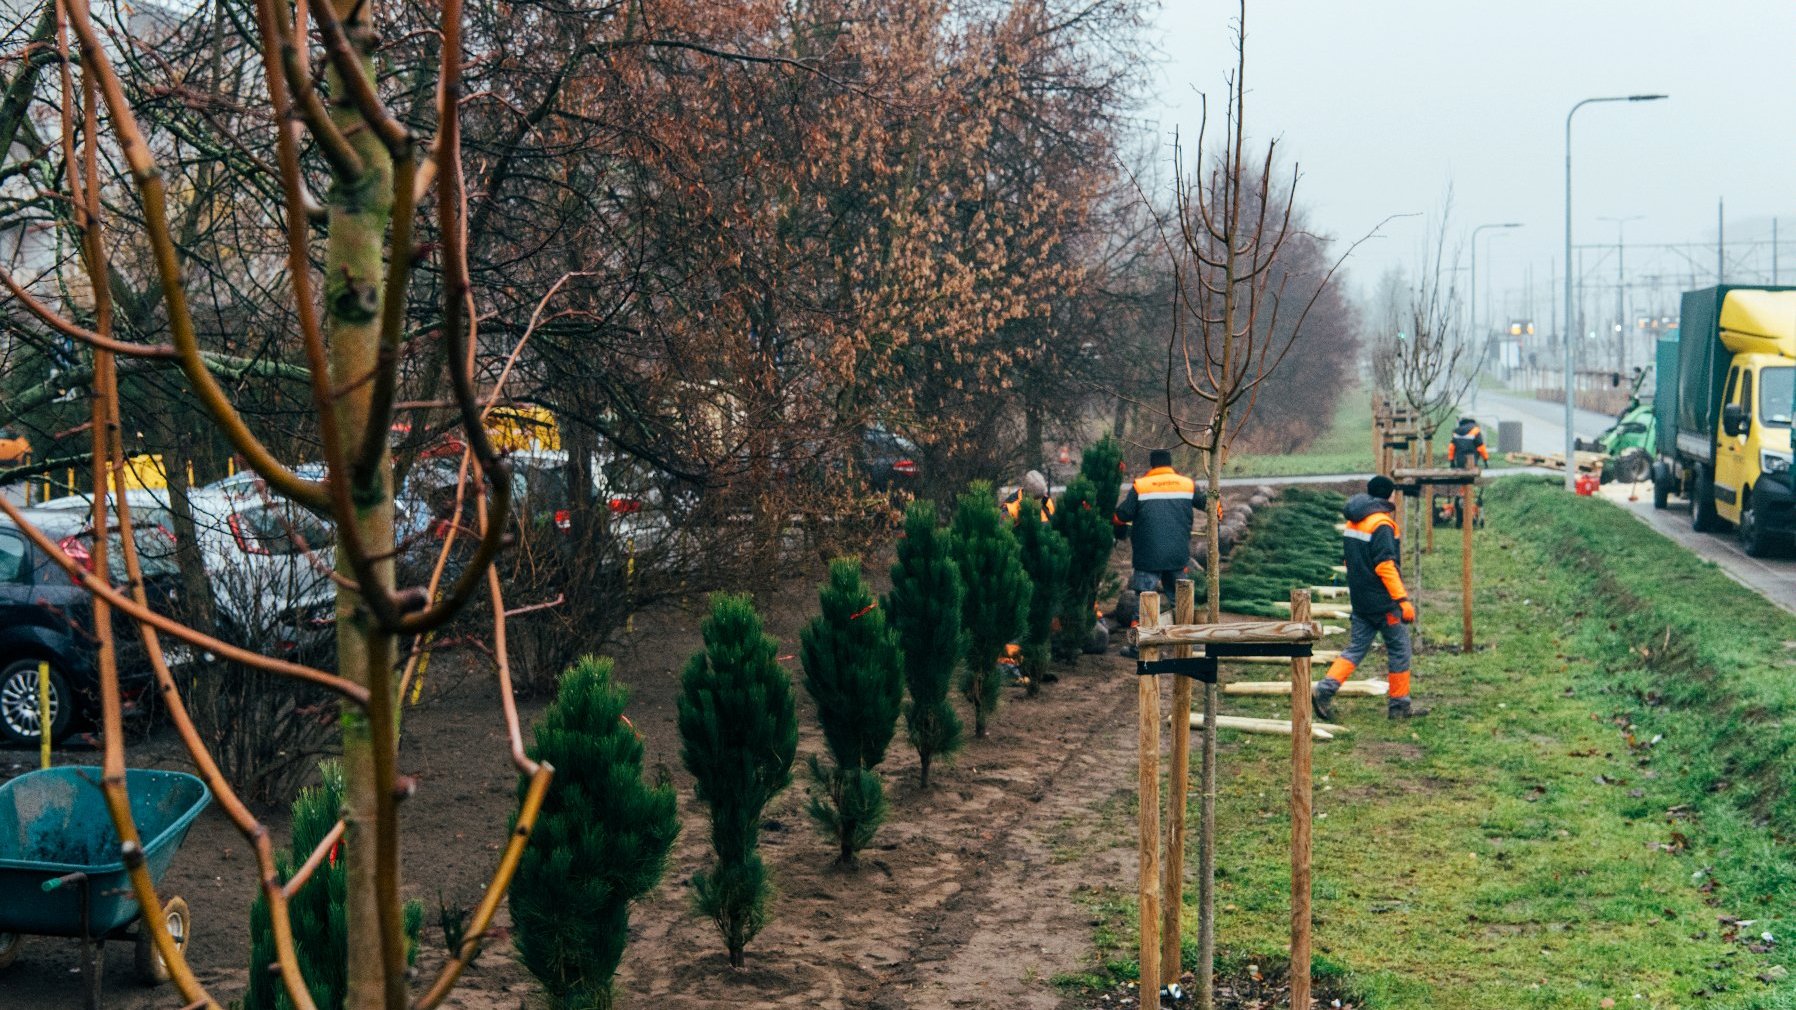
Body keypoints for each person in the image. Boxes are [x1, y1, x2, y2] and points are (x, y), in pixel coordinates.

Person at [1312, 475, 1427, 720]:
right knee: (1399, 649)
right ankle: (1399, 706)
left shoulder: (1355, 522)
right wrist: (1402, 600)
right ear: (1389, 495)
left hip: (1361, 599)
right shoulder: (1382, 524)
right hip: (1383, 602)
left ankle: (1324, 689)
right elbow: (1385, 565)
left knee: (1356, 648)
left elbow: (1350, 561)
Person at [1113, 449, 1205, 656]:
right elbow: (1211, 505)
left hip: (1147, 558)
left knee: (1144, 601)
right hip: (1178, 556)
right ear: (1170, 464)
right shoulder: (1187, 484)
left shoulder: (1141, 486)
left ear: (1152, 465)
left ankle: (1140, 645)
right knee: (1180, 598)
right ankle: (1188, 641)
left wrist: (1118, 528)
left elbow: (1121, 515)